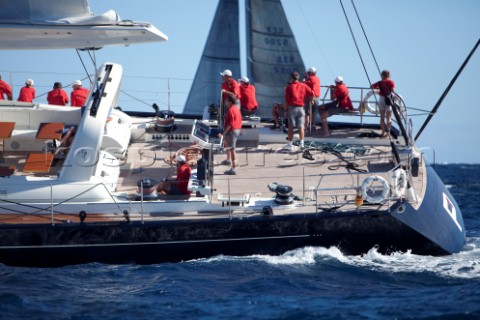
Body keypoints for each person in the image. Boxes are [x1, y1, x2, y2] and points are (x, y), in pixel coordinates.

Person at [283, 71, 313, 151]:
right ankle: (302, 144)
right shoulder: (304, 85)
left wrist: (285, 110)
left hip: (292, 108)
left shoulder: (289, 87)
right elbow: (312, 93)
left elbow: (286, 100)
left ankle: (290, 145)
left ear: (291, 78)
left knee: (290, 127)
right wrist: (311, 100)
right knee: (301, 127)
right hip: (301, 108)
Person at [218, 94, 242, 175]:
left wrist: (223, 133)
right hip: (235, 130)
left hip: (232, 131)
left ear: (230, 102)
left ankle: (233, 168)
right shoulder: (235, 108)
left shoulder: (231, 110)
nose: (225, 101)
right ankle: (228, 160)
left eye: (227, 100)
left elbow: (230, 123)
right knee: (227, 144)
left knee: (232, 149)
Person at [371, 70, 396, 137]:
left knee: (382, 117)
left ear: (383, 75)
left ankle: (382, 132)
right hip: (388, 100)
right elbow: (393, 90)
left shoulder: (380, 82)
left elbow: (372, 86)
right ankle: (388, 133)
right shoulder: (391, 82)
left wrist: (379, 88)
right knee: (389, 117)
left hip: (381, 99)